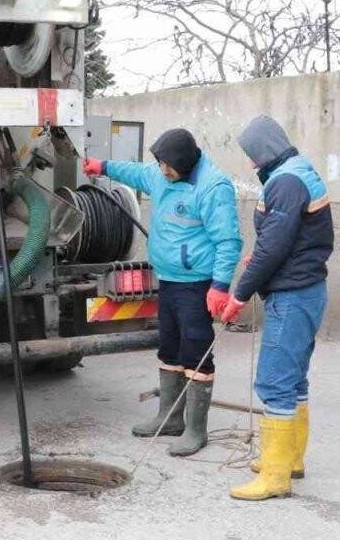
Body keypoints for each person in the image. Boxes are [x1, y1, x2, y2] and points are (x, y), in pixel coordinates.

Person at [83, 128, 242, 457]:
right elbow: (136, 172)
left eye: (168, 165)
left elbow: (228, 242)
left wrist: (220, 286)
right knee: (168, 348)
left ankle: (196, 430)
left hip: (196, 284)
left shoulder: (213, 187)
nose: (162, 170)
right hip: (167, 280)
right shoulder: (160, 176)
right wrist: (103, 166)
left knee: (195, 352)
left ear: (183, 162)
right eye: (159, 163)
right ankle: (169, 418)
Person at [219, 115, 334, 501]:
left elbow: (274, 247)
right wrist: (265, 251)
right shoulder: (297, 171)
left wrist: (240, 293)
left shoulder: (285, 181)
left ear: (265, 150)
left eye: (252, 155)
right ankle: (289, 460)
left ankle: (274, 477)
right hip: (307, 289)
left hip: (293, 294)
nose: (251, 163)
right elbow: (285, 236)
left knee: (274, 382)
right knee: (295, 379)